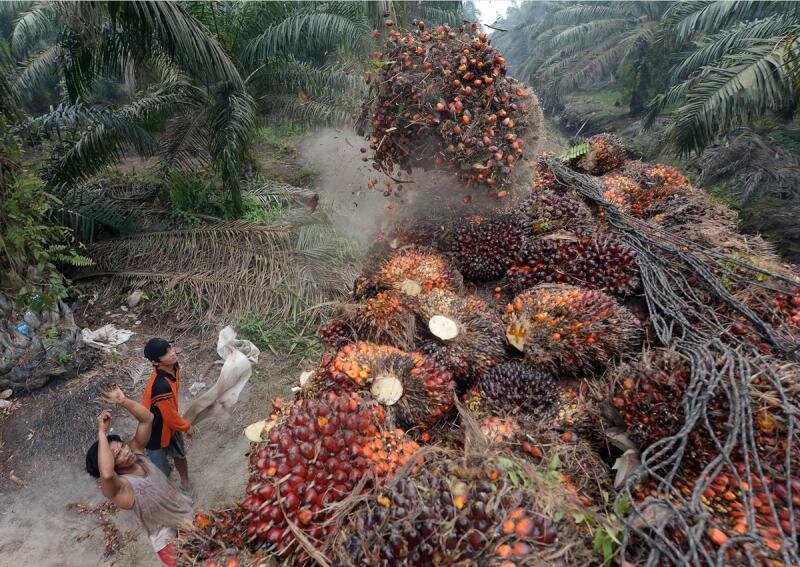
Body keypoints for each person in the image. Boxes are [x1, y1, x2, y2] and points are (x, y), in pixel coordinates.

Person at [85, 384, 193, 567]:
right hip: (167, 540)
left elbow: (147, 419)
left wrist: (122, 401)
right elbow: (107, 473)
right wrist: (102, 433)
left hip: (187, 516)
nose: (125, 452)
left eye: (122, 447)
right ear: (112, 464)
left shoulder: (138, 454)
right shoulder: (120, 487)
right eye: (116, 455)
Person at [141, 337, 195, 493]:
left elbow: (171, 414)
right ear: (156, 362)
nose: (172, 353)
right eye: (165, 353)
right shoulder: (160, 386)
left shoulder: (174, 367)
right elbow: (170, 417)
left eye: (170, 348)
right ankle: (168, 490)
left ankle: (185, 482)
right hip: (154, 431)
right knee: (161, 467)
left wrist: (179, 424)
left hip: (170, 423)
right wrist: (186, 427)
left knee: (179, 454)